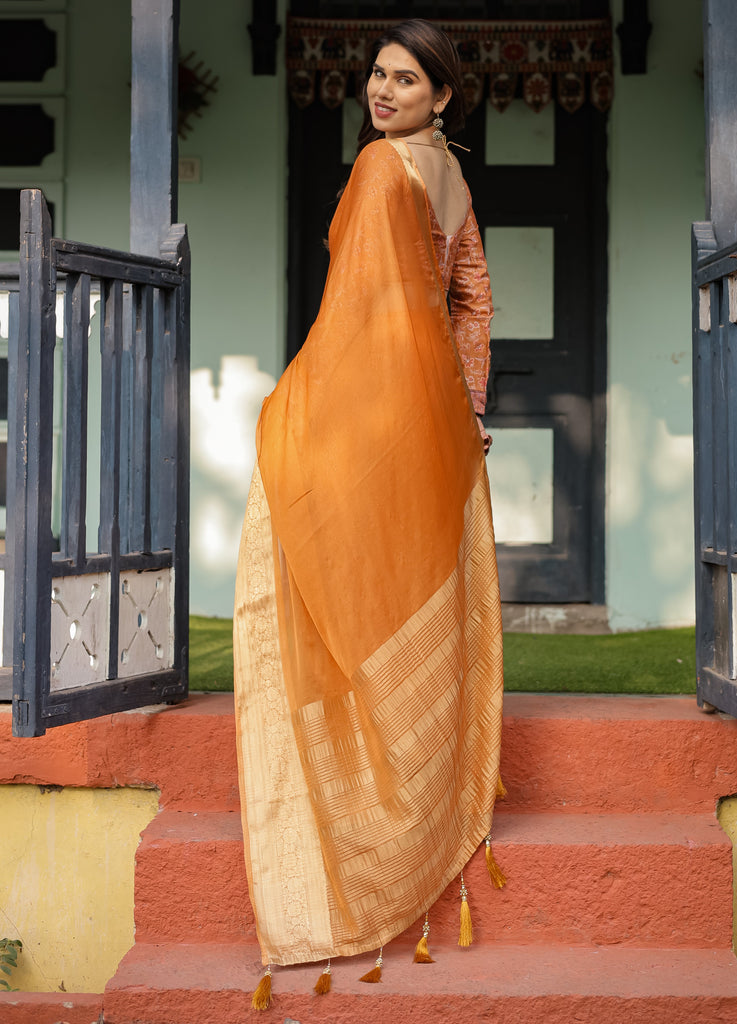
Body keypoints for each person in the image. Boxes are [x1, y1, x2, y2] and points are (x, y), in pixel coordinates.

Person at [233, 18, 504, 1005]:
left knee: (330, 579)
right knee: (403, 587)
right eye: (376, 75)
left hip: (372, 412)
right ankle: (415, 795)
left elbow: (350, 313)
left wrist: (295, 400)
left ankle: (356, 817)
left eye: (404, 80)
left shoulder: (381, 167)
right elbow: (474, 301)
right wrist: (470, 407)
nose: (381, 92)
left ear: (443, 94)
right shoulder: (452, 176)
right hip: (431, 415)